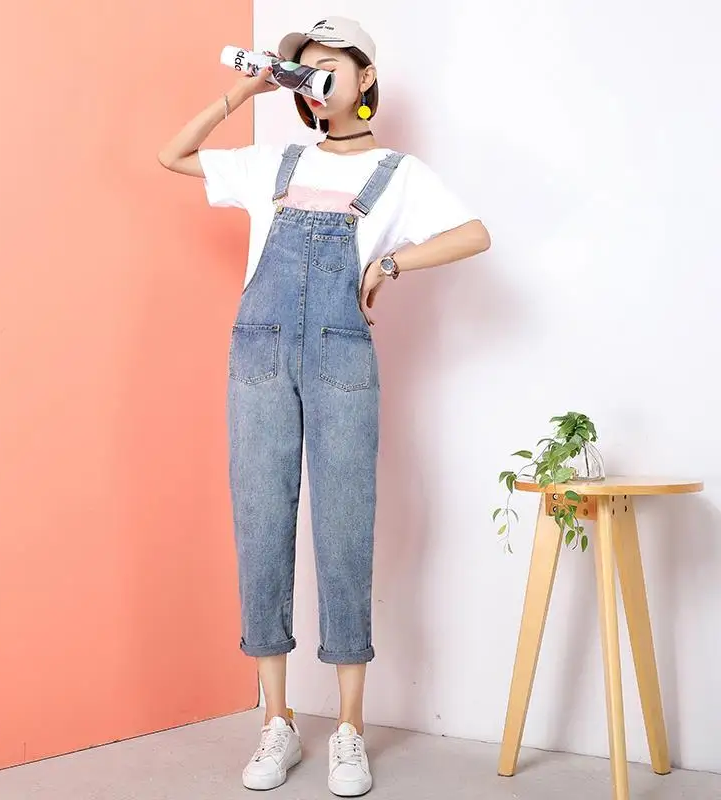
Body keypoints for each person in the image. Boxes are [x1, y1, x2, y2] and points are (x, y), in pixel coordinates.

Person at [158, 16, 490, 798]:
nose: (317, 79)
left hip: (343, 361)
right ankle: (276, 720)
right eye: (305, 69)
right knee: (261, 526)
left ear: (364, 77)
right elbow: (172, 155)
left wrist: (392, 264)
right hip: (260, 359)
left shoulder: (397, 173)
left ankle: (348, 730)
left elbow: (474, 234)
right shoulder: (275, 162)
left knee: (344, 530)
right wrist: (246, 91)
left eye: (330, 65)